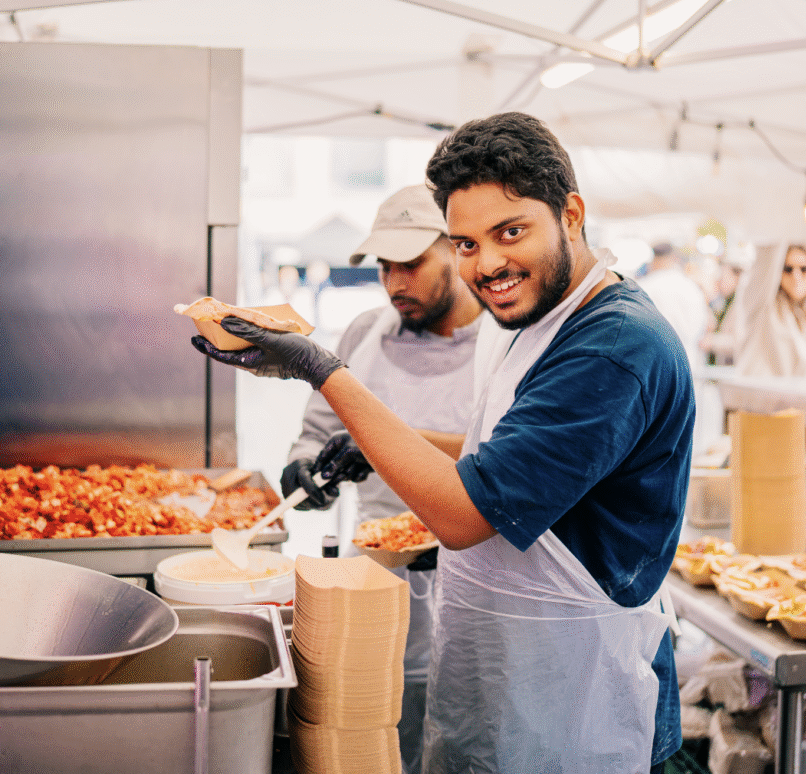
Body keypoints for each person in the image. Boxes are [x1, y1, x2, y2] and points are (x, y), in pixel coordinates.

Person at [192, 111, 695, 774]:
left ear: (571, 214)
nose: (486, 264)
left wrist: (320, 369)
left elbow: (461, 514)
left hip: (578, 694)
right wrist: (368, 445)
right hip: (519, 669)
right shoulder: (542, 316)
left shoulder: (613, 345)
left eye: (510, 232)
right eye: (465, 243)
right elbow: (504, 454)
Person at [281, 184, 500, 774]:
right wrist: (304, 465)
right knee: (376, 729)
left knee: (470, 732)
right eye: (384, 266)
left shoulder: (504, 346)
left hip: (480, 574)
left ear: (455, 251)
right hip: (377, 568)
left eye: (411, 264)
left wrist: (391, 456)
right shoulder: (363, 335)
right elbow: (322, 422)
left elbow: (504, 460)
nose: (395, 283)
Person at [734, 241, 806, 377]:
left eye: (803, 269)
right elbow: (765, 260)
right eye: (788, 269)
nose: (796, 276)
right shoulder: (766, 309)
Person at [638, 241, 711, 371]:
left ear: (654, 259)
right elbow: (701, 326)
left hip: (651, 363)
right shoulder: (690, 287)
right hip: (687, 362)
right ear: (673, 258)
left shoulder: (643, 287)